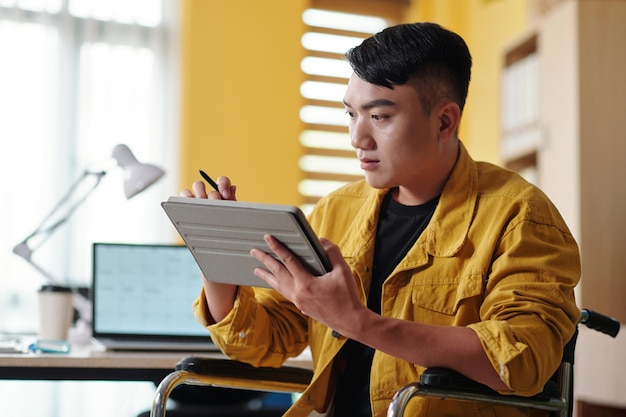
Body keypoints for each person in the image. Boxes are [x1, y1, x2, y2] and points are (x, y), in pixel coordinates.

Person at [179, 22, 581, 417]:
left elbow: (523, 360)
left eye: (380, 117)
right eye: (352, 114)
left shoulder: (520, 214)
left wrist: (360, 323)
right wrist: (217, 264)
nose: (358, 138)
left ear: (444, 121)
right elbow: (266, 341)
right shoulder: (337, 210)